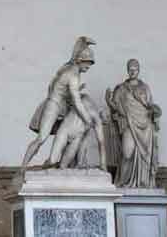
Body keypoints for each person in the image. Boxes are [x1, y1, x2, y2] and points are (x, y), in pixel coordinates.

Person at [21, 36, 106, 171]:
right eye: (88, 63)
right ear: (80, 60)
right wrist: (87, 119)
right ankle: (22, 169)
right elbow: (77, 102)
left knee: (68, 135)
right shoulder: (73, 75)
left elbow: (62, 90)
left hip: (62, 106)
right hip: (54, 106)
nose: (89, 67)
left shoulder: (71, 69)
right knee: (41, 138)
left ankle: (59, 165)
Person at [105, 59, 161, 187]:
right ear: (127, 70)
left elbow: (150, 105)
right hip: (129, 124)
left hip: (145, 126)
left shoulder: (145, 88)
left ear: (139, 70)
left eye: (135, 69)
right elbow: (115, 107)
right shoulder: (121, 89)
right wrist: (108, 101)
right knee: (127, 153)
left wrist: (155, 111)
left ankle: (142, 182)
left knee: (144, 156)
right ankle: (123, 182)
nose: (132, 71)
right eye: (130, 69)